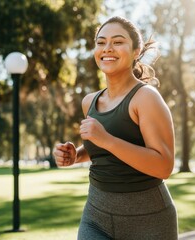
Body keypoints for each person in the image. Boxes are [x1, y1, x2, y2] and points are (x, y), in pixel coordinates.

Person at [53, 16, 178, 239]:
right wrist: (77, 155)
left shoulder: (145, 98)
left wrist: (106, 139)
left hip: (148, 220)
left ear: (136, 51)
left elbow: (164, 166)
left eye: (117, 42)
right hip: (96, 215)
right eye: (101, 42)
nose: (107, 48)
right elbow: (105, 151)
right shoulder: (89, 102)